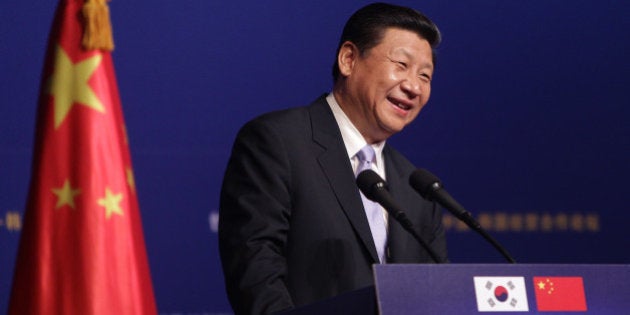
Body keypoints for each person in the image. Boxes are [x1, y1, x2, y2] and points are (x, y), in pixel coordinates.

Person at [219, 3, 448, 314]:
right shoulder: (278, 142)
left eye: (426, 75)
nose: (413, 86)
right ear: (349, 59)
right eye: (401, 65)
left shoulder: (416, 188)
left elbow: (435, 297)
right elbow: (256, 271)